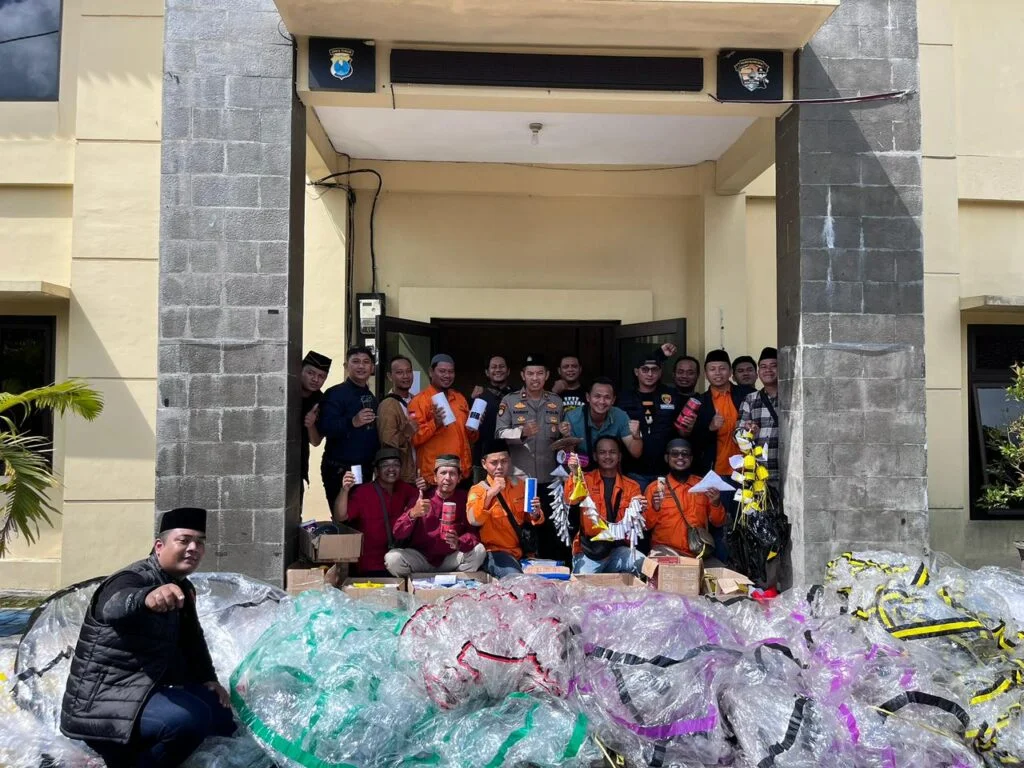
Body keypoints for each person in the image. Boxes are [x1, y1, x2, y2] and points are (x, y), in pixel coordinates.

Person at [60, 508, 235, 768]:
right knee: (189, 719)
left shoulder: (182, 587)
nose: (193, 548)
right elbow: (114, 606)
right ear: (159, 546)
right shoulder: (131, 579)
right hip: (102, 704)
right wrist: (145, 598)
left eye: (200, 542)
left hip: (144, 692)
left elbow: (192, 642)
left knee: (220, 712)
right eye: (184, 540)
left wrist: (208, 679)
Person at [495, 353, 565, 559]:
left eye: (540, 373)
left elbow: (562, 439)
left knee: (549, 529)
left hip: (549, 479)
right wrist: (521, 432)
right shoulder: (510, 401)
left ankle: (550, 567)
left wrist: (566, 433)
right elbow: (499, 433)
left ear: (547, 375)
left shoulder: (556, 402)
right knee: (523, 529)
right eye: (531, 373)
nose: (535, 378)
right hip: (520, 480)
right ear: (523, 375)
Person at [385, 455, 487, 576]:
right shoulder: (421, 498)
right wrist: (412, 513)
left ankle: (456, 580)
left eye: (452, 474)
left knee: (479, 551)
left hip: (450, 558)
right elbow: (398, 532)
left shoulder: (465, 498)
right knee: (393, 559)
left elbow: (473, 533)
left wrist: (459, 542)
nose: (447, 478)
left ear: (459, 478)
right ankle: (416, 582)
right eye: (443, 473)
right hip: (421, 558)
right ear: (435, 477)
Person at [565, 437, 647, 575]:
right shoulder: (584, 480)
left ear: (619, 456)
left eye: (612, 452)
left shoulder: (632, 486)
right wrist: (574, 473)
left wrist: (640, 510)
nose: (607, 456)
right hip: (590, 552)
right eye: (602, 452)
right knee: (581, 583)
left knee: (644, 564)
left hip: (618, 550)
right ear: (595, 456)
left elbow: (639, 525)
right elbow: (570, 500)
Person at [334, 448, 419, 576]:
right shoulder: (363, 492)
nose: (391, 469)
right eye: (385, 465)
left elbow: (423, 506)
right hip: (371, 565)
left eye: (396, 464)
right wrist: (344, 490)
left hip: (399, 563)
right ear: (376, 471)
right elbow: (340, 516)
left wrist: (423, 488)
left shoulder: (407, 490)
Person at [466, 440, 544, 578]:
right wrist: (491, 493)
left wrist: (536, 513)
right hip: (495, 553)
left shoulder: (520, 485)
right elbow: (474, 520)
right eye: (494, 463)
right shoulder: (478, 490)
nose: (500, 467)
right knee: (516, 579)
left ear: (510, 461)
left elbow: (531, 519)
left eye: (504, 461)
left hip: (522, 552)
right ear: (484, 464)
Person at [317, 346, 379, 508]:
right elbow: (324, 427)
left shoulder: (371, 397)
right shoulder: (335, 393)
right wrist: (352, 422)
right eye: (356, 361)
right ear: (346, 366)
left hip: (365, 468)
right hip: (339, 469)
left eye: (366, 362)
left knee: (361, 515)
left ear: (372, 368)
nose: (361, 366)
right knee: (342, 516)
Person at [644, 439, 727, 558]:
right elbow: (645, 526)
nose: (680, 457)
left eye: (685, 454)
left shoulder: (703, 485)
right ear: (667, 458)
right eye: (674, 453)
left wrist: (715, 503)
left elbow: (719, 523)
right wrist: (655, 508)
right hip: (665, 553)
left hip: (697, 552)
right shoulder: (655, 488)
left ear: (691, 458)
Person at [679, 350, 756, 477]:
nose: (717, 373)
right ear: (706, 374)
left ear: (730, 372)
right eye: (712, 369)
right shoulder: (699, 402)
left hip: (747, 469)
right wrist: (710, 428)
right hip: (715, 471)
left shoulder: (747, 395)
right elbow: (693, 443)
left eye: (722, 368)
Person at [618, 349, 684, 491]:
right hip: (634, 471)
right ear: (636, 372)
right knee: (637, 505)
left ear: (660, 372)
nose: (650, 374)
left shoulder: (672, 395)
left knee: (662, 504)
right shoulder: (623, 397)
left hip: (664, 471)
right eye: (645, 369)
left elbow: (683, 431)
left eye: (654, 370)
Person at [409, 354, 478, 483]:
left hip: (461, 473)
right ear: (431, 372)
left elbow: (470, 437)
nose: (447, 375)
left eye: (451, 372)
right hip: (435, 476)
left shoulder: (459, 398)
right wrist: (435, 423)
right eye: (442, 371)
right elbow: (413, 438)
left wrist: (474, 427)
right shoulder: (420, 401)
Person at [559, 377, 642, 465]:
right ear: (588, 397)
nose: (602, 401)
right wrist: (566, 437)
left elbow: (636, 453)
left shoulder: (620, 416)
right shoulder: (572, 417)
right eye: (597, 396)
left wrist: (637, 437)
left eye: (607, 397)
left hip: (610, 468)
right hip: (582, 469)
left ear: (613, 400)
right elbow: (568, 457)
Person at [738, 347, 780, 495]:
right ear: (758, 372)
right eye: (763, 366)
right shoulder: (750, 399)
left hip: (789, 472)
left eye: (773, 366)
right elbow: (737, 437)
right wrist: (746, 431)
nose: (768, 370)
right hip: (760, 476)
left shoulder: (793, 397)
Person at [377, 354, 419, 484]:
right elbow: (387, 442)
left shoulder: (416, 400)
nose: (406, 376)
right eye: (400, 372)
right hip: (400, 477)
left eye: (408, 371)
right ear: (390, 376)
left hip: (418, 475)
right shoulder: (388, 404)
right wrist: (406, 433)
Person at [470, 354, 513, 480]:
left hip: (510, 458)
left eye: (501, 366)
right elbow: (470, 429)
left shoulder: (517, 395)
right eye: (494, 367)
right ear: (487, 372)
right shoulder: (479, 396)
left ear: (508, 370)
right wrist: (471, 400)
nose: (498, 369)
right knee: (482, 491)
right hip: (483, 459)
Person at [300, 351, 330, 499]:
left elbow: (316, 441)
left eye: (321, 376)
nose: (315, 379)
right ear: (300, 370)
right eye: (310, 373)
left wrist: (310, 425)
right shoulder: (286, 390)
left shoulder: (321, 401)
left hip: (297, 464)